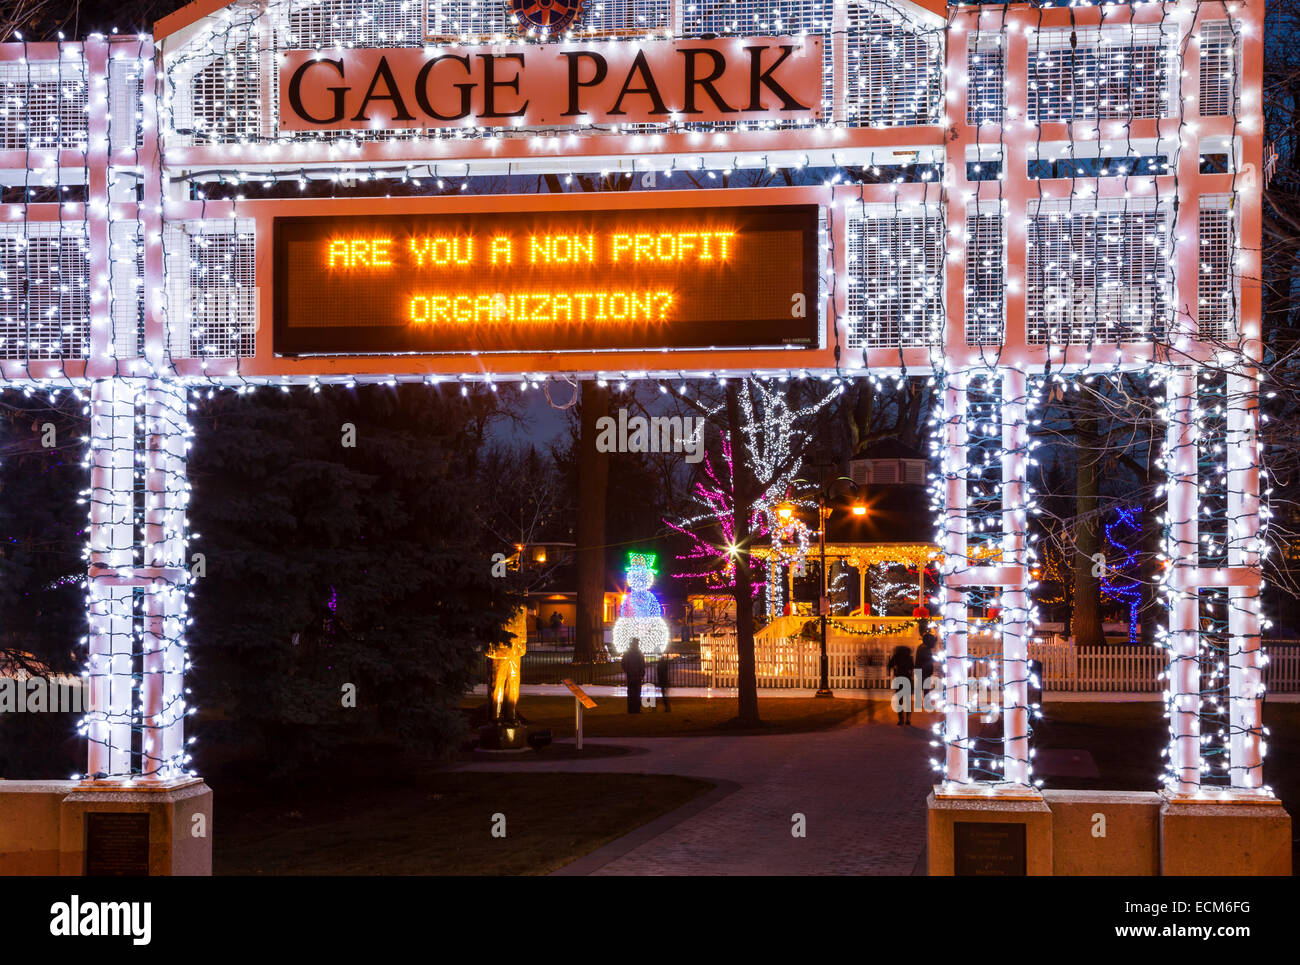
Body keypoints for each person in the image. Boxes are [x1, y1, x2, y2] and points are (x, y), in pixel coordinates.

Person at [887, 644, 915, 725]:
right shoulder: (909, 657)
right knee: (907, 700)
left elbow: (889, 665)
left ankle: (901, 719)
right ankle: (908, 719)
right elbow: (912, 667)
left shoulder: (896, 656)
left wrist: (895, 668)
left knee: (899, 700)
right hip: (907, 678)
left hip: (899, 678)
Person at [621, 638, 646, 713]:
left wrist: (627, 670)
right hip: (637, 675)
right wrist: (642, 673)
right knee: (637, 693)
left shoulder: (627, 653)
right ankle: (636, 709)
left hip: (631, 675)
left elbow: (623, 663)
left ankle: (631, 709)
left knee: (631, 693)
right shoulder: (639, 653)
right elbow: (642, 665)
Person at [915, 631, 938, 699]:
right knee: (925, 686)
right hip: (923, 671)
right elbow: (928, 659)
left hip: (923, 671)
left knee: (925, 686)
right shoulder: (924, 649)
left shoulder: (923, 647)